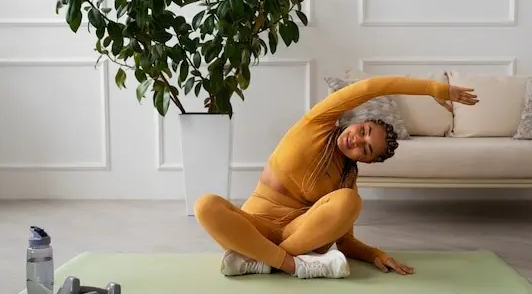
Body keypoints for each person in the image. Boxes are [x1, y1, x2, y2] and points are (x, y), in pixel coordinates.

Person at [194, 75, 478, 279]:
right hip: (252, 229)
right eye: (363, 131)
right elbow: (371, 87)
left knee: (349, 201)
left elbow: (343, 240)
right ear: (358, 122)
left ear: (365, 161)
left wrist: (375, 254)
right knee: (205, 205)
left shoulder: (346, 179)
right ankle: (289, 265)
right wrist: (434, 88)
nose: (358, 140)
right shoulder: (317, 123)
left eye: (366, 149)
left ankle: (260, 260)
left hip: (295, 236)